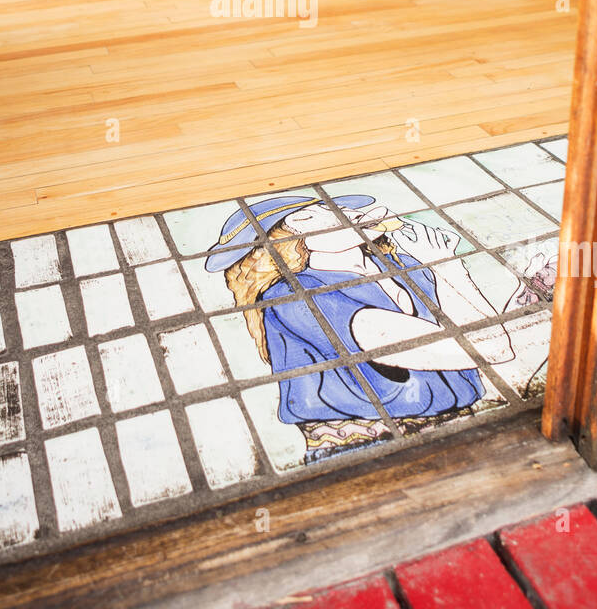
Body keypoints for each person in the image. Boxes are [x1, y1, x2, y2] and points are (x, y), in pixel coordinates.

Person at [205, 193, 514, 461]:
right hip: (367, 451)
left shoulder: (406, 267)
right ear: (286, 240)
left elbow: (493, 340)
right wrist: (447, 267)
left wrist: (448, 266)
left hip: (466, 427)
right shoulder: (292, 299)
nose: (355, 215)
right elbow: (489, 348)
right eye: (310, 215)